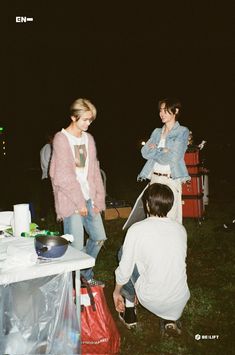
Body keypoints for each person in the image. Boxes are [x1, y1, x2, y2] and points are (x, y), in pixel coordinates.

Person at [113, 183, 190, 337]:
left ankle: (129, 310)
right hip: (179, 299)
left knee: (124, 253)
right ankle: (170, 320)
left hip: (152, 297)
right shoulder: (180, 229)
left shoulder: (136, 229)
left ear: (147, 205)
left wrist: (116, 292)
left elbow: (125, 269)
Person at [50, 98, 107, 285]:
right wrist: (79, 203)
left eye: (91, 120)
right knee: (76, 245)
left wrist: (99, 199)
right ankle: (74, 284)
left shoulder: (88, 139)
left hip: (89, 197)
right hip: (70, 199)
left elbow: (94, 171)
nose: (88, 124)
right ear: (73, 117)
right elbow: (63, 175)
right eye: (85, 119)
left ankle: (83, 275)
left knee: (99, 237)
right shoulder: (61, 139)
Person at [137, 97, 190, 224]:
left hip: (171, 178)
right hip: (154, 178)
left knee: (171, 217)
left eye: (165, 110)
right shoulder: (156, 132)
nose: (161, 114)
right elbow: (144, 152)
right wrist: (164, 150)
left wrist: (155, 150)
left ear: (175, 111)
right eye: (160, 110)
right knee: (152, 216)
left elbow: (174, 157)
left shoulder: (182, 131)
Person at [39, 135, 54, 221]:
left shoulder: (43, 148)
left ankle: (43, 216)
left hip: (45, 176)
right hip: (49, 176)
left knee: (45, 197)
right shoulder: (48, 148)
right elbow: (49, 163)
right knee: (50, 197)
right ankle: (45, 216)